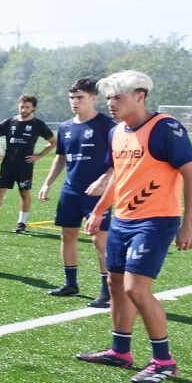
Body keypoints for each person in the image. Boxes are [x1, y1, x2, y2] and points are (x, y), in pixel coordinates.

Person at [76, 71, 192, 383]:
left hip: (156, 221)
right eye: (108, 99)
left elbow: (191, 173)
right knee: (116, 284)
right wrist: (100, 211)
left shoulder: (165, 128)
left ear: (140, 96)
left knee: (136, 288)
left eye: (118, 98)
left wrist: (190, 223)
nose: (111, 105)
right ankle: (120, 351)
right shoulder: (117, 132)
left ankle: (164, 361)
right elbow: (120, 176)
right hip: (122, 220)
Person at [37, 78, 117, 307]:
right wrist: (47, 183)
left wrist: (104, 179)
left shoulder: (108, 126)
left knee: (99, 241)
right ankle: (71, 284)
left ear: (94, 98)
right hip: (70, 191)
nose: (74, 102)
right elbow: (61, 158)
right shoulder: (65, 127)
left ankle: (107, 292)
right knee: (67, 235)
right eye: (71, 97)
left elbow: (118, 160)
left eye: (80, 97)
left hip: (98, 195)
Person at [0, 95, 56, 233]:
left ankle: (21, 223)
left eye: (27, 107)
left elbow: (53, 142)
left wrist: (39, 155)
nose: (23, 109)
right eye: (21, 106)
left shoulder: (38, 124)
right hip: (8, 164)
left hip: (25, 166)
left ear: (33, 108)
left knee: (24, 193)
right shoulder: (9, 122)